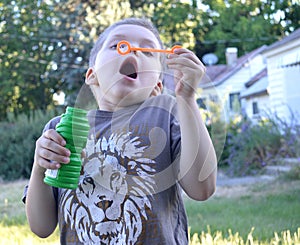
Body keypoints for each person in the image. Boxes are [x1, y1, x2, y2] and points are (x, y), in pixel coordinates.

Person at [24, 17, 217, 244]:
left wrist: (187, 99)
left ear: (157, 85)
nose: (131, 52)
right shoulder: (63, 128)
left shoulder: (166, 114)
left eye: (146, 51)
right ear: (92, 75)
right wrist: (39, 167)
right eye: (118, 45)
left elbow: (202, 188)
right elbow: (41, 226)